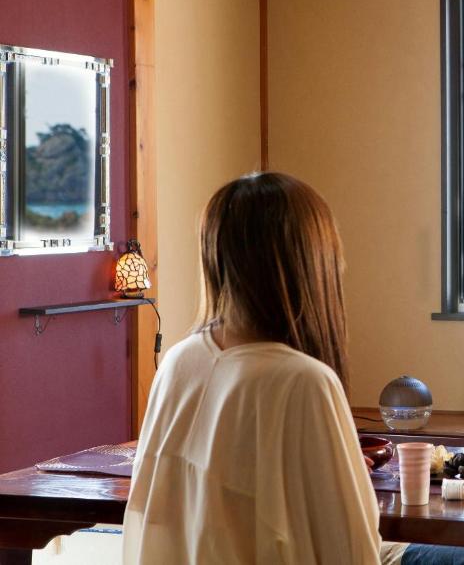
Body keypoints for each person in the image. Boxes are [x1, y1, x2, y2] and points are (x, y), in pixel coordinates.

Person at [123, 172, 388, 564]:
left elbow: (154, 522)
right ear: (311, 261)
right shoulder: (303, 381)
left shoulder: (178, 363)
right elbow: (353, 552)